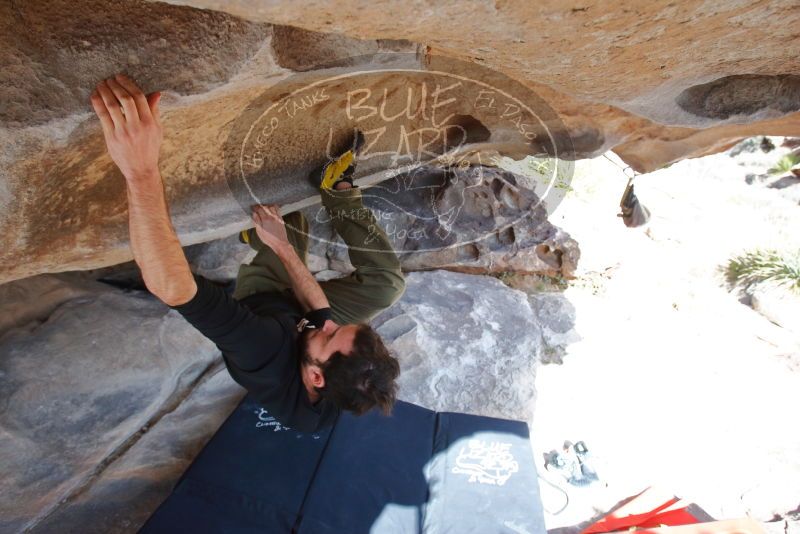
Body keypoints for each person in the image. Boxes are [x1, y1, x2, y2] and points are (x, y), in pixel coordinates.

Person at [90, 74, 406, 433]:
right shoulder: (340, 387)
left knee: (289, 217)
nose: (329, 323)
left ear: (315, 377)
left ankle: (255, 240)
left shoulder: (262, 348)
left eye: (331, 335)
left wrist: (139, 169)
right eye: (340, 327)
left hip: (264, 300)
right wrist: (283, 245)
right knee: (386, 287)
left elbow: (171, 287)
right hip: (297, 321)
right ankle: (335, 187)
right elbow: (319, 314)